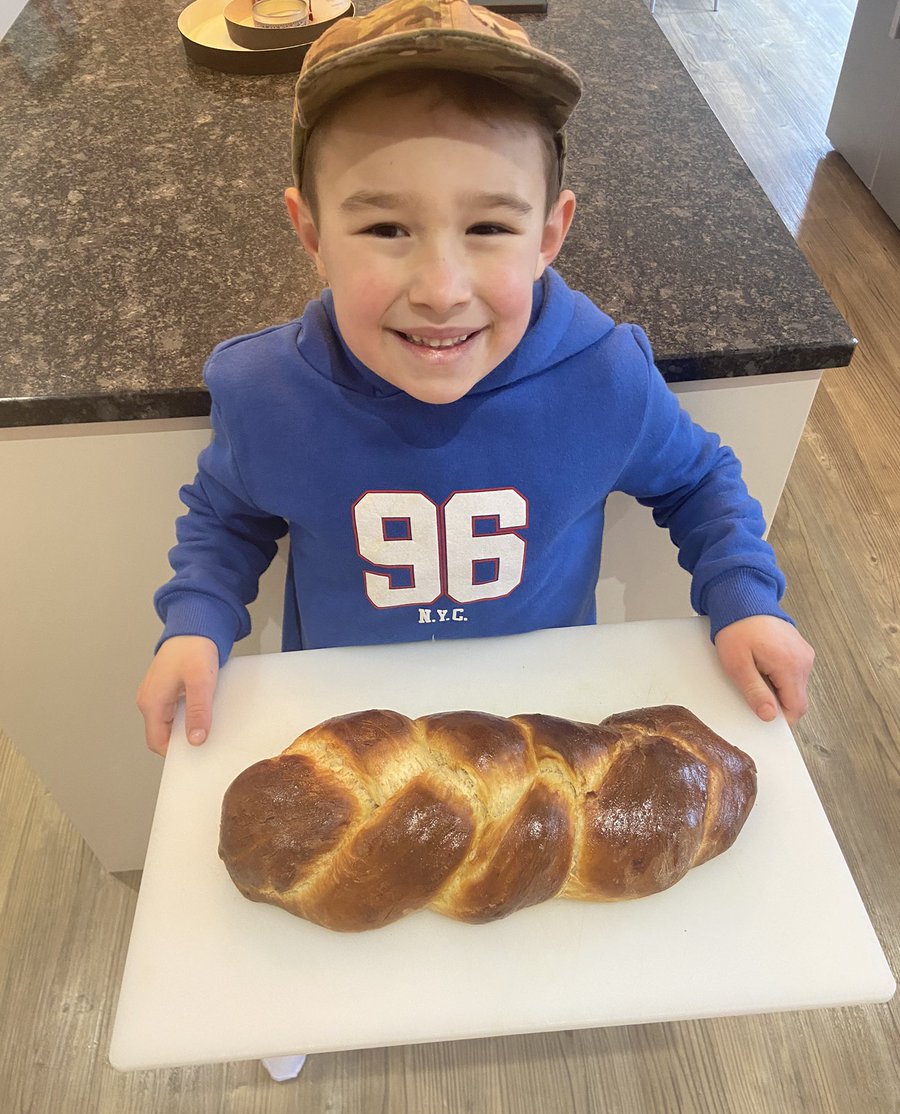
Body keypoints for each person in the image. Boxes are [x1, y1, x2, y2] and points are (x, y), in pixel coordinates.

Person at [137, 0, 814, 756]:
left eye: (489, 228)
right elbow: (227, 516)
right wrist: (196, 622)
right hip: (346, 727)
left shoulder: (603, 379)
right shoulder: (265, 393)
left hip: (540, 722)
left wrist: (744, 598)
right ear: (312, 234)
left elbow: (698, 482)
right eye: (386, 228)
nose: (441, 288)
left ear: (548, 235)